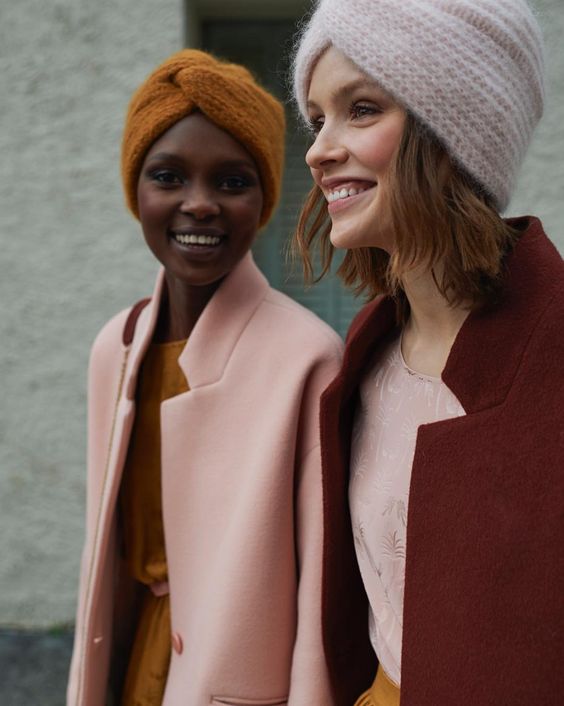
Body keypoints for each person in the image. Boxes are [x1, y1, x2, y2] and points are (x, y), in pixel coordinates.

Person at [291, 1, 564, 705]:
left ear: (453, 132)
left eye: (361, 109)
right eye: (317, 119)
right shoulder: (369, 350)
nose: (318, 150)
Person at [67, 49, 342, 706]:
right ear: (135, 189)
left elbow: (320, 594)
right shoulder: (116, 345)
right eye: (167, 176)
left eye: (231, 181)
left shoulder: (308, 359)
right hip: (131, 669)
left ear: (265, 198)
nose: (199, 205)